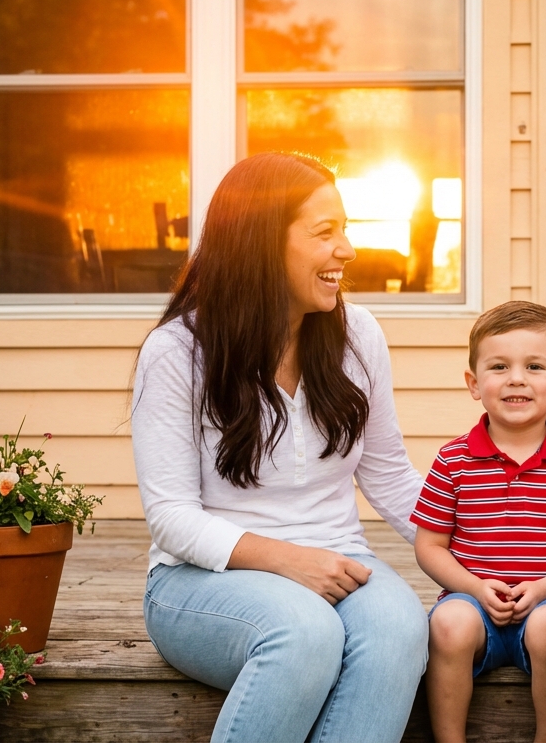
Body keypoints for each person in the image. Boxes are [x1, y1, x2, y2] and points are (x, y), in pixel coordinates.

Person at [132, 152, 428, 743]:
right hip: (200, 581)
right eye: (325, 232)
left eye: (345, 229)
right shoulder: (176, 353)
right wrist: (290, 561)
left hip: (339, 561)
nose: (346, 249)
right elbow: (171, 517)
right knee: (304, 633)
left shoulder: (358, 335)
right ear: (263, 243)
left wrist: (494, 549)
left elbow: (391, 477)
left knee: (400, 629)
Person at [411, 301, 546, 743]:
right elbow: (429, 546)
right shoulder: (454, 460)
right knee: (447, 625)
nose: (516, 379)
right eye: (499, 366)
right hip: (473, 605)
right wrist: (473, 587)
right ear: (474, 383)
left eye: (534, 366)